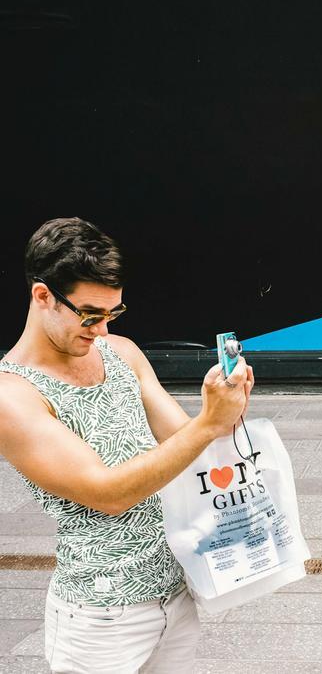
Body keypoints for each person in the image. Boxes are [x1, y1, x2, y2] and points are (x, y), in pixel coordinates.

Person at [0, 217, 254, 672]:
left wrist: (226, 409)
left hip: (175, 594)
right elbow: (108, 493)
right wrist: (206, 426)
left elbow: (190, 445)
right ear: (42, 296)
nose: (101, 330)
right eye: (89, 315)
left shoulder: (121, 352)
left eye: (112, 314)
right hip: (100, 614)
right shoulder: (12, 394)